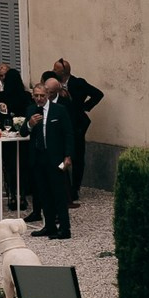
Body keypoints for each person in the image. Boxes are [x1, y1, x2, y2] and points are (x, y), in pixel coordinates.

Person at [27, 77, 78, 240]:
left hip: (55, 158)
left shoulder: (59, 110)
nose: (39, 99)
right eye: (36, 95)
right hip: (38, 158)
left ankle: (65, 228)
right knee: (43, 194)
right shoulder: (31, 110)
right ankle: (49, 226)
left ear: (48, 95)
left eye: (42, 95)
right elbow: (22, 131)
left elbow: (69, 134)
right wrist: (29, 124)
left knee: (59, 194)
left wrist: (68, 156)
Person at [50, 58, 104, 201]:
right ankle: (63, 185)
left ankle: (75, 188)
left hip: (76, 125)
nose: (53, 71)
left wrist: (84, 107)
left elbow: (98, 94)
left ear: (64, 71)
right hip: (60, 125)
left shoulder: (78, 83)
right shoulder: (53, 84)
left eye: (56, 69)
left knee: (77, 157)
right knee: (61, 155)